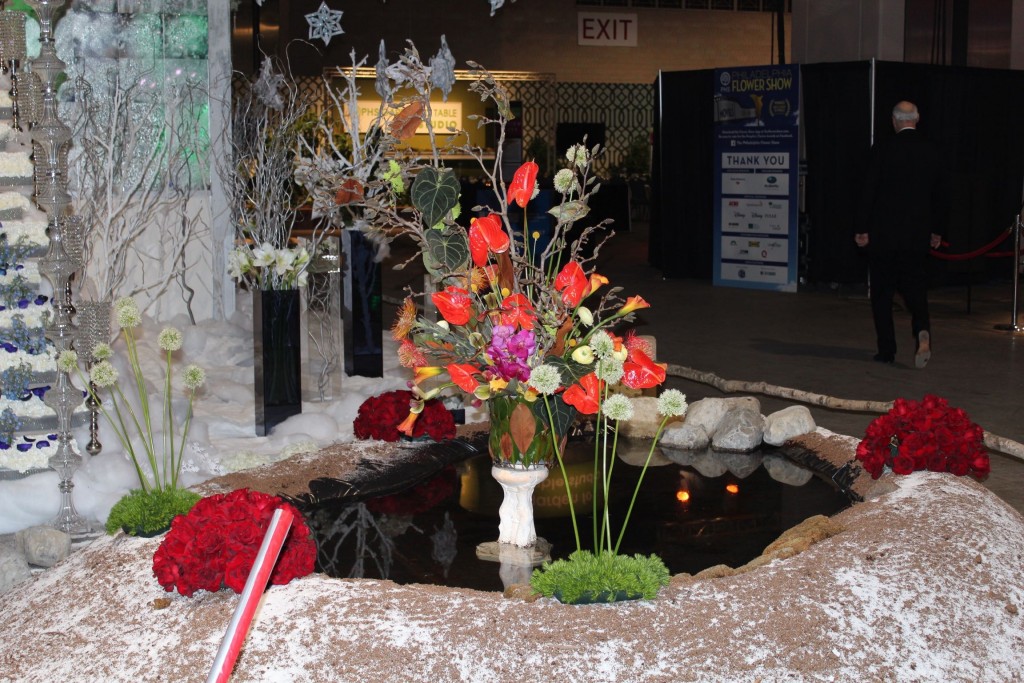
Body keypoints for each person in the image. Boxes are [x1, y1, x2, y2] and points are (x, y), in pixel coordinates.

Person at [855, 101, 949, 368]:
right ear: (917, 119)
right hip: (917, 234)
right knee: (916, 290)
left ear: (894, 121)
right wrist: (937, 231)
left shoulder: (883, 149)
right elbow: (941, 196)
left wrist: (862, 228)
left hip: (884, 234)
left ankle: (886, 350)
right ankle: (922, 332)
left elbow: (868, 190)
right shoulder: (932, 150)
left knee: (882, 294)